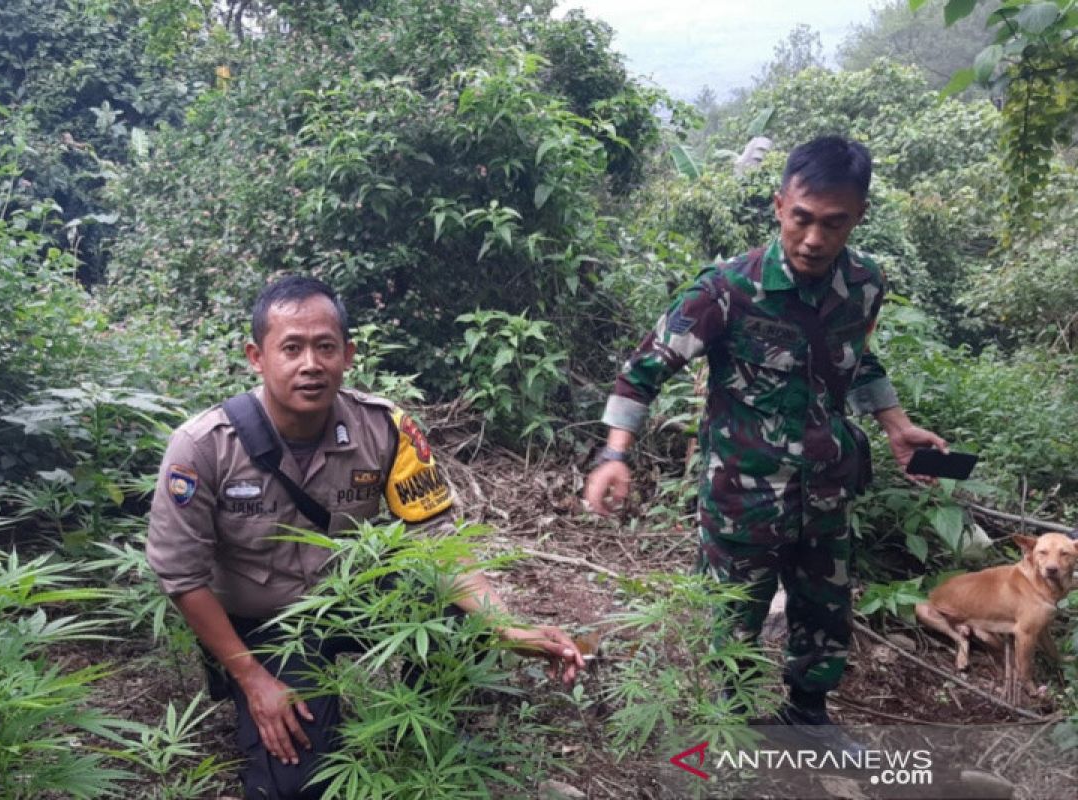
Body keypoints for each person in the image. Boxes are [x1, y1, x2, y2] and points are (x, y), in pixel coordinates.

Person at [147, 276, 584, 799]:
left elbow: (436, 541)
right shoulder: (203, 447)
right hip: (266, 626)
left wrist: (507, 626)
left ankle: (427, 730)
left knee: (451, 611)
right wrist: (252, 678)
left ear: (348, 355)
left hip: (348, 599)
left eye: (325, 346)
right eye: (291, 347)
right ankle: (261, 698)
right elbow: (181, 576)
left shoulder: (386, 428)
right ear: (256, 357)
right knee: (296, 788)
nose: (311, 363)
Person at [584, 136, 946, 747]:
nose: (813, 238)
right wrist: (615, 453)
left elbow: (858, 359)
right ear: (779, 205)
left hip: (826, 489)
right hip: (742, 496)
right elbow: (642, 369)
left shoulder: (864, 285)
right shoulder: (726, 289)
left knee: (824, 609)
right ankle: (730, 727)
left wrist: (896, 427)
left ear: (858, 217)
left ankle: (808, 718)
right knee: (734, 619)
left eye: (834, 224)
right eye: (801, 218)